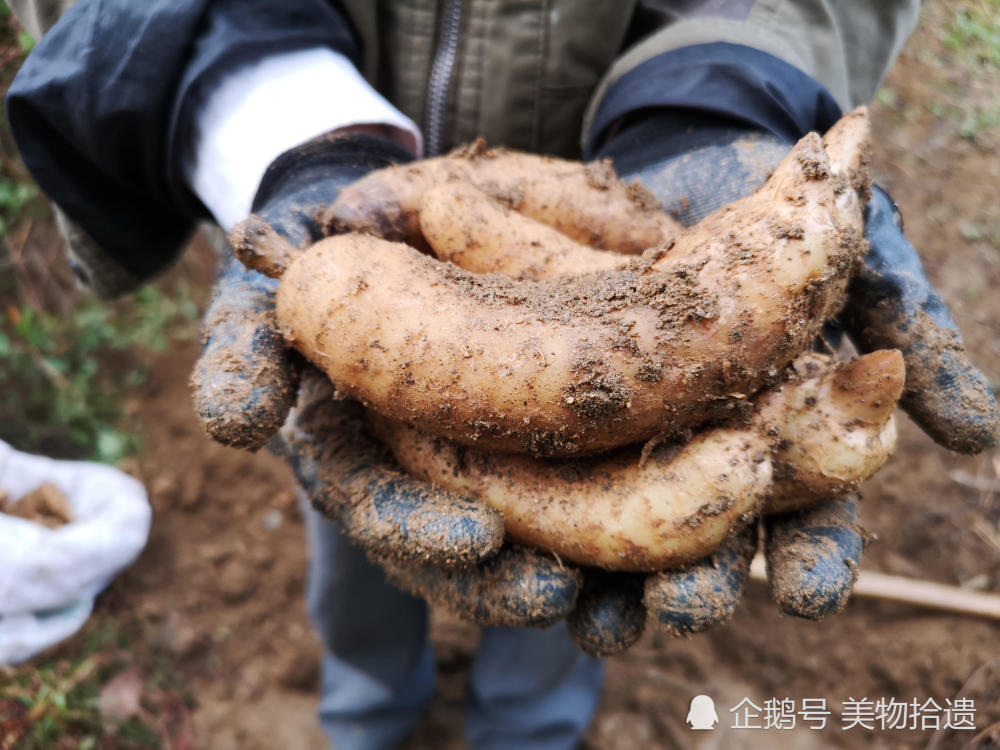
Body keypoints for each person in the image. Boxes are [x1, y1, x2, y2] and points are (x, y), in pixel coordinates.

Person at [6, 2, 998, 748]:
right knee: (368, 520)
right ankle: (365, 713)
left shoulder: (707, 326)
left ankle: (525, 731)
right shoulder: (347, 272)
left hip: (619, 172)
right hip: (361, 242)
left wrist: (721, 91)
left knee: (569, 592)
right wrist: (273, 112)